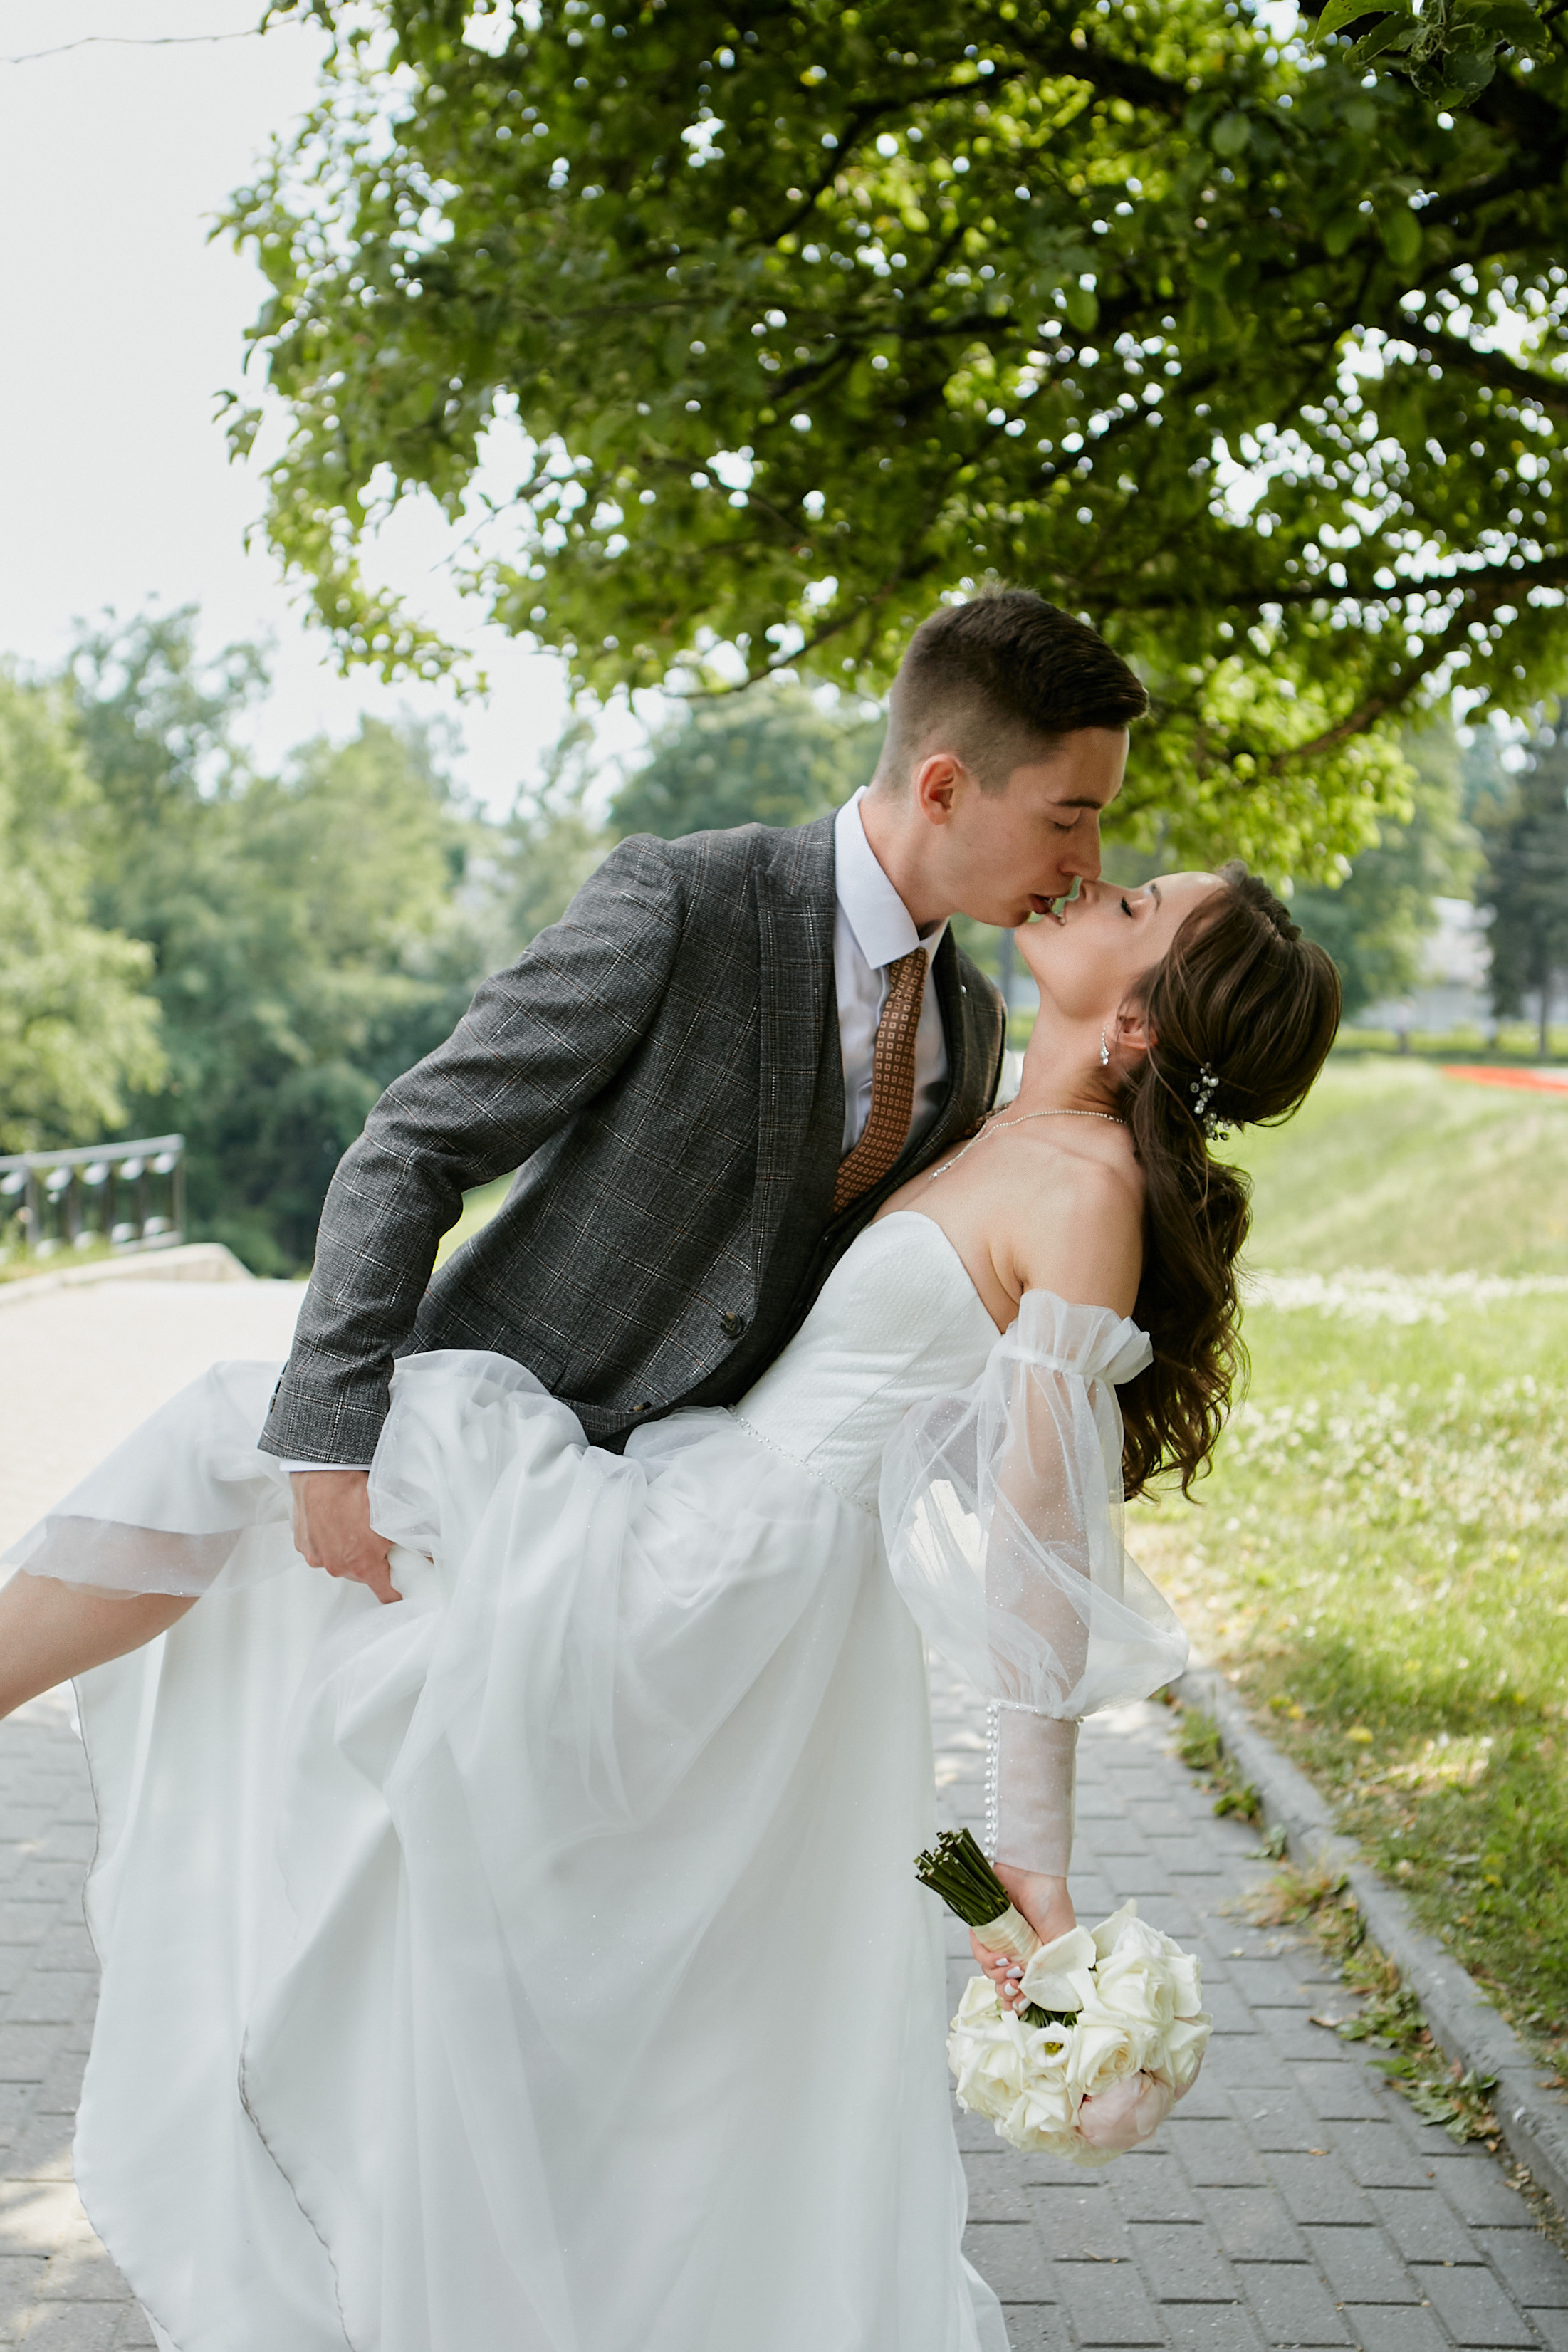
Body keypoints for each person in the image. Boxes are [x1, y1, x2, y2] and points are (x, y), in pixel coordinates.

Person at [0, 832, 1339, 2351]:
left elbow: (1039, 1555)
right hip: (717, 1519)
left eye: (1144, 904)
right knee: (541, 1938)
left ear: (1148, 1016)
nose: (1105, 882)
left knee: (253, 1434)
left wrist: (1034, 1859)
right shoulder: (991, 1094)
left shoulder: (1086, 1191)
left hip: (726, 1575)